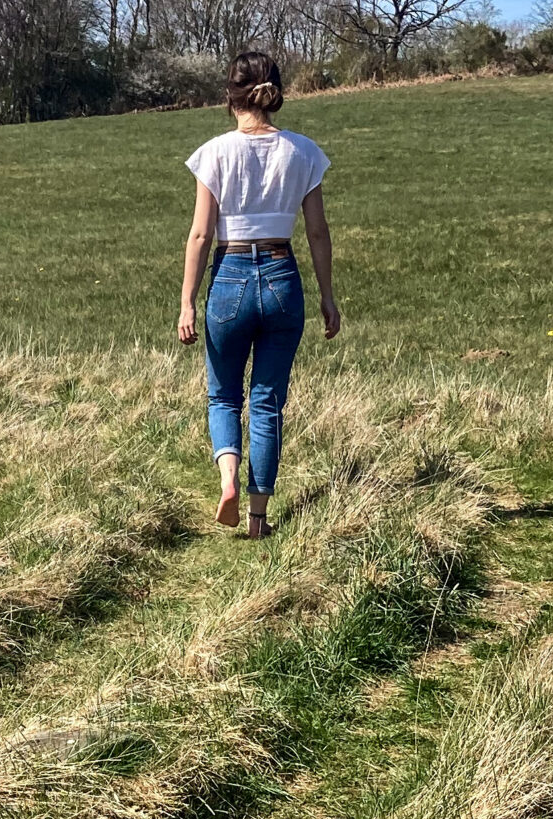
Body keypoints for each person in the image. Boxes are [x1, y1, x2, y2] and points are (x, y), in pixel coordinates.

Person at [177, 51, 341, 540]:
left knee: (224, 393)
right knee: (267, 402)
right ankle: (257, 520)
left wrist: (187, 301)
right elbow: (317, 233)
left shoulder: (215, 152)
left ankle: (227, 478)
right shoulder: (304, 152)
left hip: (228, 277)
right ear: (275, 93)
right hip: (281, 273)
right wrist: (328, 297)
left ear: (231, 97)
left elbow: (200, 236)